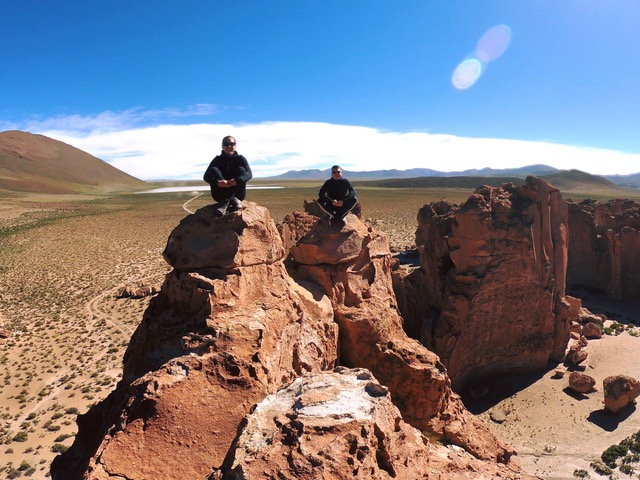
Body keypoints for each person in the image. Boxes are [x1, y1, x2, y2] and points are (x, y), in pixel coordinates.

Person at [203, 136, 252, 216]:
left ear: (235, 146)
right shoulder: (217, 160)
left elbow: (249, 174)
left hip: (238, 194)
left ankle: (226, 202)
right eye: (226, 144)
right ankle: (229, 200)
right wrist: (217, 183)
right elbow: (206, 176)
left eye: (232, 144)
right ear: (222, 146)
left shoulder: (240, 159)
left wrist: (237, 180)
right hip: (219, 195)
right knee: (213, 170)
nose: (229, 146)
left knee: (241, 170)